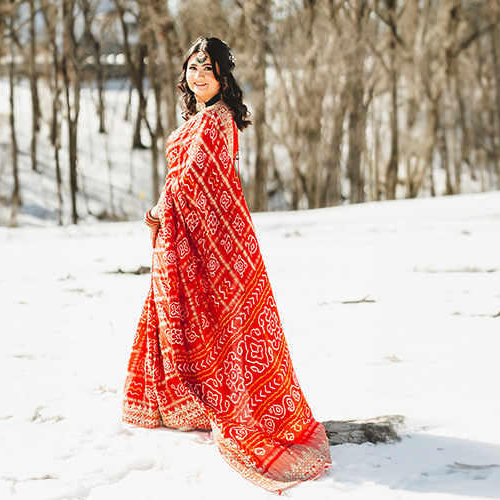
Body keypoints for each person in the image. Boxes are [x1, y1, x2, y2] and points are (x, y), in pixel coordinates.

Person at [121, 37, 331, 492]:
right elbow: (181, 178)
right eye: (194, 67)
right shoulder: (200, 118)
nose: (199, 75)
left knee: (225, 322)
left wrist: (161, 211)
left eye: (209, 70)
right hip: (188, 236)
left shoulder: (218, 120)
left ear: (222, 78)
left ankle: (222, 403)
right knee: (181, 311)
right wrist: (162, 209)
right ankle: (186, 401)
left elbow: (197, 180)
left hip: (215, 239)